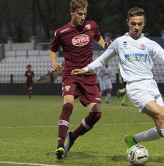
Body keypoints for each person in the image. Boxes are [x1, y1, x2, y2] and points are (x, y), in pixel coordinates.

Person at [72, 7, 164, 165]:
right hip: (135, 87)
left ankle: (133, 140)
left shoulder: (149, 44)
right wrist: (85, 69)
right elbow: (101, 60)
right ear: (127, 23)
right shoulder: (119, 42)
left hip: (151, 86)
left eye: (139, 24)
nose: (136, 27)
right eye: (133, 24)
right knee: (163, 116)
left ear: (144, 23)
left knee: (162, 129)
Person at [49, 0, 111, 160]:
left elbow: (98, 38)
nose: (82, 17)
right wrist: (54, 63)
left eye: (84, 14)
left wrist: (106, 47)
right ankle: (60, 145)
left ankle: (73, 136)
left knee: (96, 114)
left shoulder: (92, 26)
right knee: (68, 104)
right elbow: (52, 50)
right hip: (70, 74)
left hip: (88, 74)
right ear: (72, 12)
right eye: (79, 14)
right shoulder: (62, 32)